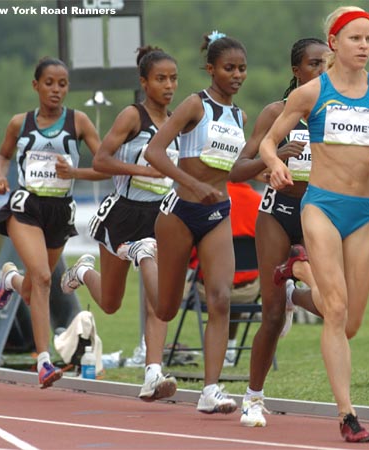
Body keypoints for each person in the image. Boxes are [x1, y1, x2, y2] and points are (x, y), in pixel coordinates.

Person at [259, 6, 369, 442]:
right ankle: (347, 414)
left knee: (351, 322)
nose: (364, 46)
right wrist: (274, 165)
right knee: (336, 310)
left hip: (364, 211)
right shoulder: (310, 93)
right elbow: (269, 142)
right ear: (334, 44)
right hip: (321, 206)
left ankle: (297, 272)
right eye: (356, 39)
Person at [60, 46, 179, 401]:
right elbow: (101, 160)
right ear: (144, 82)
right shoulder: (132, 116)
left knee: (160, 297)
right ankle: (82, 272)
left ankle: (153, 374)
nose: (169, 85)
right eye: (161, 79)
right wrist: (144, 169)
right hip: (123, 214)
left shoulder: (176, 121)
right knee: (110, 303)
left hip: (159, 218)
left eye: (173, 78)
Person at [144, 30, 247, 415]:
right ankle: (145, 259)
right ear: (211, 69)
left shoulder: (240, 115)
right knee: (167, 308)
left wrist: (272, 163)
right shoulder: (193, 105)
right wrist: (191, 183)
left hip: (217, 213)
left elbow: (234, 169)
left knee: (220, 298)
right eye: (228, 68)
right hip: (179, 212)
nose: (237, 75)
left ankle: (210, 390)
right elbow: (155, 152)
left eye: (241, 69)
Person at [228, 36, 329, 428]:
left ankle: (291, 291)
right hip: (278, 212)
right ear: (296, 70)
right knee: (270, 315)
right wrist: (274, 159)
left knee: (334, 306)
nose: (322, 71)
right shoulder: (276, 113)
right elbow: (238, 169)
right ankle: (253, 398)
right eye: (314, 64)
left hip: (318, 212)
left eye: (327, 64)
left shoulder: (337, 114)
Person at [0, 56, 103, 388]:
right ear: (36, 85)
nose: (56, 90)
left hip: (60, 211)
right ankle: (43, 362)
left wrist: (75, 173)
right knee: (41, 277)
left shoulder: (79, 122)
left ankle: (9, 280)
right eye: (49, 83)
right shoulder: (18, 123)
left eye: (62, 84)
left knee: (32, 286)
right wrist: (0, 177)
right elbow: (3, 155)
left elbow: (105, 165)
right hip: (26, 206)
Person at [187, 181, 262, 367]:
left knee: (217, 283)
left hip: (209, 291)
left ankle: (147, 347)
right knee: (229, 288)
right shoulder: (259, 202)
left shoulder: (209, 200)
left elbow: (190, 256)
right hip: (250, 292)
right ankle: (230, 347)